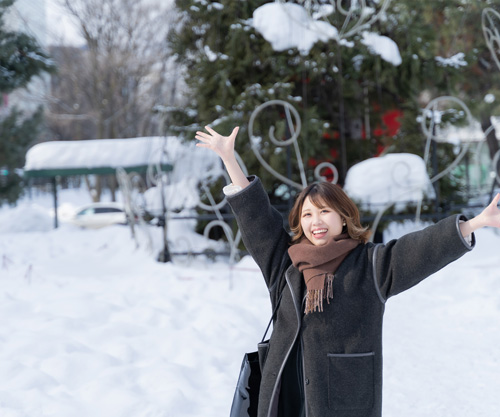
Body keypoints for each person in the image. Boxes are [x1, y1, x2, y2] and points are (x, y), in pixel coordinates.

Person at [195, 125, 500, 417]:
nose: (316, 221)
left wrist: (474, 224)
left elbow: (417, 250)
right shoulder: (286, 263)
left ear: (343, 218)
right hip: (286, 388)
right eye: (308, 214)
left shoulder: (369, 265)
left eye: (325, 211)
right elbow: (256, 217)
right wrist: (228, 158)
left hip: (342, 396)